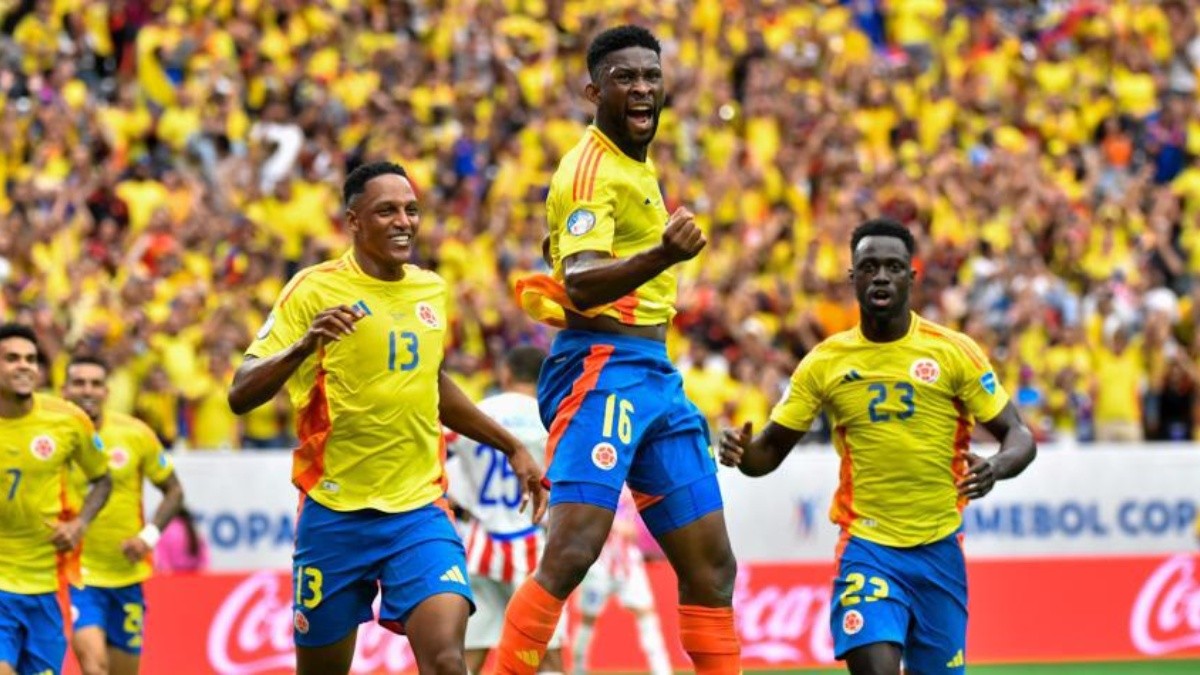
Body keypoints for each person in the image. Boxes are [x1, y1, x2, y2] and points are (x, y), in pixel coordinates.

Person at [227, 161, 547, 675]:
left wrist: (510, 445)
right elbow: (241, 393)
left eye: (411, 210)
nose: (404, 221)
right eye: (387, 211)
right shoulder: (313, 290)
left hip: (418, 510)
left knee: (447, 660)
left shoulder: (429, 291)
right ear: (354, 220)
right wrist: (305, 345)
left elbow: (432, 382)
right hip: (334, 513)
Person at [502, 25, 739, 674]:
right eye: (625, 78)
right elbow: (578, 278)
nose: (642, 89)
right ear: (593, 90)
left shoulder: (634, 161)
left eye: (651, 77)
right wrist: (663, 251)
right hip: (600, 365)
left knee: (712, 565)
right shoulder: (589, 169)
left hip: (653, 375)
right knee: (574, 549)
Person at [718, 218, 1038, 675]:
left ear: (912, 275)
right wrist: (740, 452)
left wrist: (997, 467)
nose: (881, 276)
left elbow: (1020, 435)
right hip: (867, 548)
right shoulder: (824, 363)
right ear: (853, 277)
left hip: (939, 551)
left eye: (893, 266)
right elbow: (766, 453)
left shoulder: (952, 352)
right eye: (869, 267)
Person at [443, 346, 567, 674]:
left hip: (479, 543)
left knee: (471, 650)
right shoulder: (551, 418)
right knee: (547, 651)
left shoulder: (474, 412)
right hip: (534, 543)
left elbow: (435, 450)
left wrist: (453, 499)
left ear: (505, 374)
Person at [0, 324, 113, 675]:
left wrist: (79, 524)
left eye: (31, 359)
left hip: (47, 587)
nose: (24, 366)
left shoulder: (67, 419)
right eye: (12, 358)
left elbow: (102, 480)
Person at [62, 355, 185, 675]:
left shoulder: (135, 434)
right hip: (80, 574)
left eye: (95, 383)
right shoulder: (56, 436)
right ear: (64, 390)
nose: (87, 390)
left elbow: (174, 491)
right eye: (79, 383)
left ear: (107, 391)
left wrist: (147, 538)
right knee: (94, 664)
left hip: (127, 573)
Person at [572, 487, 672, 675]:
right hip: (598, 564)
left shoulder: (636, 483)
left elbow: (642, 527)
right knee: (588, 618)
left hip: (629, 565)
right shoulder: (597, 482)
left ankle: (662, 671)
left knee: (646, 614)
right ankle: (578, 669)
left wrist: (637, 534)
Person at [153, 506, 209, 574]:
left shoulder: (166, 530)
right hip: (196, 580)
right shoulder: (194, 530)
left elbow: (164, 564)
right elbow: (204, 562)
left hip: (174, 580)